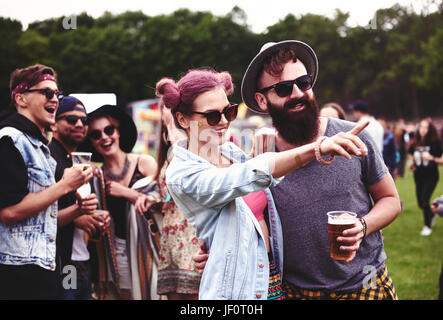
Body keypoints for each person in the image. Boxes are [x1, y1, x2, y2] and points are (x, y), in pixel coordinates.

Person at [157, 67, 369, 300]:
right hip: (238, 290)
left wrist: (218, 247)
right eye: (212, 116)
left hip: (271, 277)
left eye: (229, 111)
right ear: (182, 119)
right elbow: (242, 178)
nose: (224, 122)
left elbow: (255, 205)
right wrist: (317, 148)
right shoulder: (181, 173)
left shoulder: (230, 152)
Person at [239, 40, 401, 299]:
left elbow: (391, 199)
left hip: (367, 282)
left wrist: (362, 225)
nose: (297, 93)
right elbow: (245, 224)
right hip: (297, 292)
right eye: (283, 88)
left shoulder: (351, 135)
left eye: (303, 83)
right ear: (262, 99)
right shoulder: (261, 159)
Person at [0, 64, 92, 299]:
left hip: (44, 268)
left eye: (57, 94)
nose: (55, 99)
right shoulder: (9, 140)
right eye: (47, 93)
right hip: (17, 273)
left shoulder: (39, 146)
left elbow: (42, 220)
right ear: (21, 98)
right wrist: (65, 185)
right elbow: (9, 212)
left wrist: (78, 208)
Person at [80, 104, 157, 299]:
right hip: (117, 251)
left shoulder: (144, 163)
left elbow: (166, 201)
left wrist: (129, 194)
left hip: (150, 248)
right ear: (91, 142)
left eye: (108, 130)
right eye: (96, 135)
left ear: (118, 131)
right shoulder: (96, 176)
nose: (104, 137)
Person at [135, 100, 201, 300]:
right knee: (174, 294)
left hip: (190, 232)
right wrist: (153, 197)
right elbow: (166, 190)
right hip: (171, 232)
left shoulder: (190, 146)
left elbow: (190, 184)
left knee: (193, 296)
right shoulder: (169, 148)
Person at [49, 96, 110, 300]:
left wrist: (97, 218)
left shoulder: (81, 161)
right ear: (55, 123)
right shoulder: (49, 159)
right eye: (71, 119)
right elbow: (41, 213)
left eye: (84, 121)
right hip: (64, 261)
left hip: (83, 258)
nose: (79, 125)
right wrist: (78, 216)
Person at [408, 118, 442, 236]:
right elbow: (411, 157)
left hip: (431, 176)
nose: (423, 130)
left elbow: (441, 160)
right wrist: (411, 164)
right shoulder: (415, 142)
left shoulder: (435, 143)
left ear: (430, 130)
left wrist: (432, 158)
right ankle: (432, 214)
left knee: (425, 200)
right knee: (420, 203)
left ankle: (427, 226)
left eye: (426, 127)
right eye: (421, 127)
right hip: (419, 176)